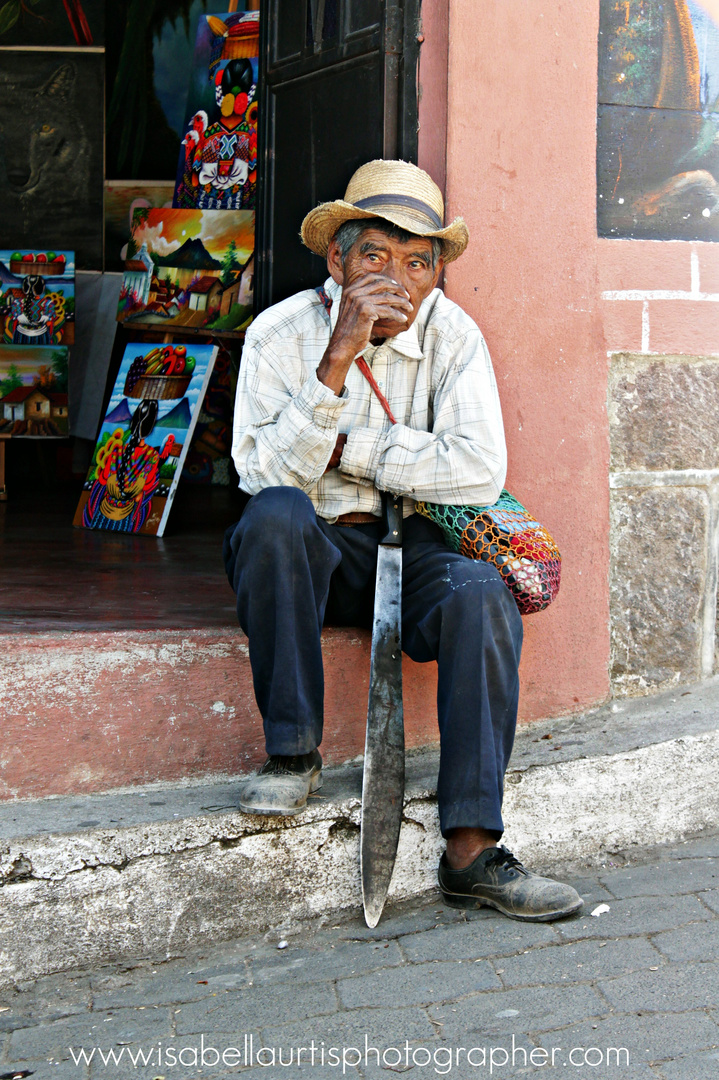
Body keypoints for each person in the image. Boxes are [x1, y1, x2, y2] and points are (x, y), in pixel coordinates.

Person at [224, 159, 582, 922]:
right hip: (312, 548)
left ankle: (473, 850)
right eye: (375, 256)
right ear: (337, 261)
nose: (397, 277)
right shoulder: (279, 334)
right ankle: (292, 752)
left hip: (412, 545)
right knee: (277, 516)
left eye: (417, 261)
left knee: (480, 593)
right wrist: (336, 359)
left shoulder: (453, 336)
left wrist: (349, 444)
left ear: (435, 272)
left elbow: (477, 471)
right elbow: (261, 471)